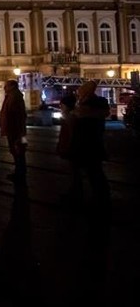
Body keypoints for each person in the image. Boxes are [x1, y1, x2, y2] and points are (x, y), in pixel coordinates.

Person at [65, 82, 111, 211]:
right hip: (91, 143)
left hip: (85, 144)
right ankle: (99, 198)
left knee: (92, 173)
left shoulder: (86, 107)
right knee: (93, 172)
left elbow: (74, 122)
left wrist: (71, 113)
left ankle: (97, 200)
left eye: (81, 90)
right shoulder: (89, 105)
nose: (78, 92)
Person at [0, 79, 27, 184]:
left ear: (12, 86)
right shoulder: (13, 96)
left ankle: (20, 173)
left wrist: (19, 132)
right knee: (18, 151)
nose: (4, 88)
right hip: (17, 130)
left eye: (6, 86)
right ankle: (19, 171)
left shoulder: (14, 97)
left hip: (16, 130)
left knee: (18, 151)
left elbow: (17, 115)